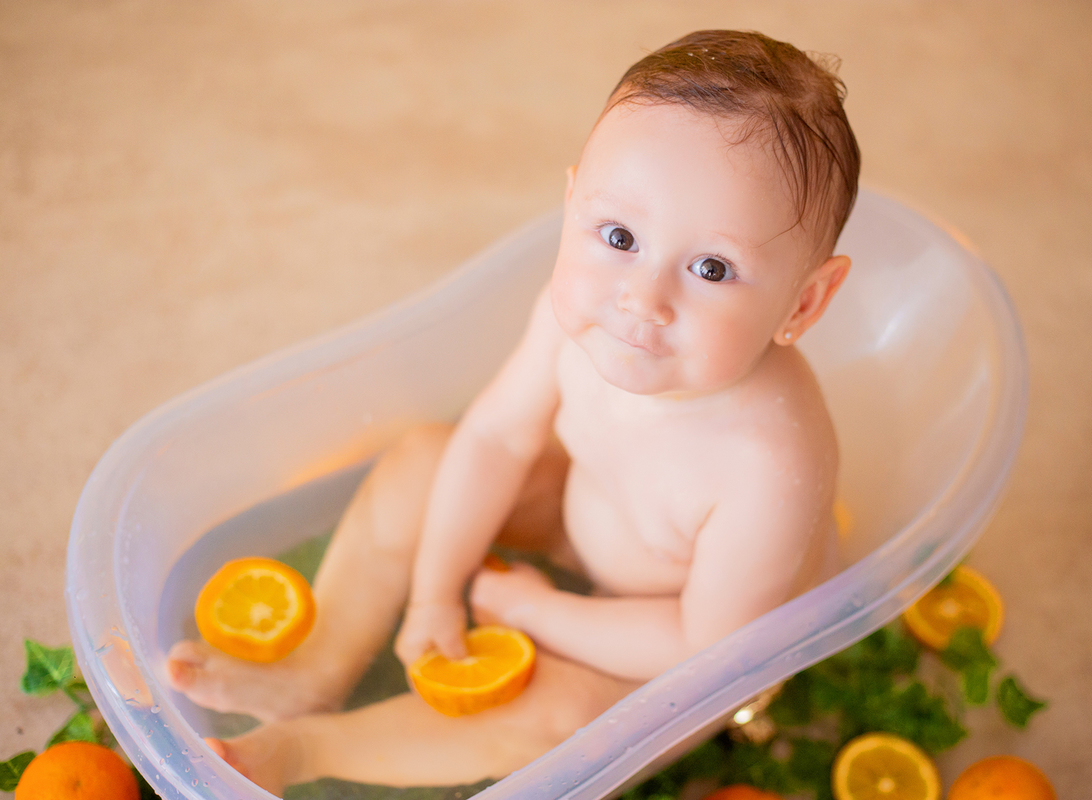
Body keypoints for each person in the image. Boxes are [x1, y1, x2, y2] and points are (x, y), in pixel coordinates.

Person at [164, 29, 861, 794]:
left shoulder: (771, 459)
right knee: (428, 458)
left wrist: (536, 610)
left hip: (684, 646)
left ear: (804, 301)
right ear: (571, 206)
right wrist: (437, 588)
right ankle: (319, 661)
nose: (643, 299)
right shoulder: (578, 317)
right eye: (620, 236)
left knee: (566, 715)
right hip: (579, 516)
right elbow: (496, 438)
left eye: (711, 268)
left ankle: (314, 748)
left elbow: (705, 640)